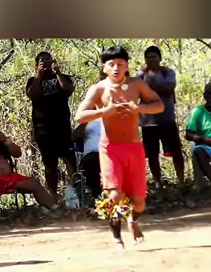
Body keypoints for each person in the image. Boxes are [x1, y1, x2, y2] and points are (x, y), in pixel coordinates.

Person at [75, 45, 164, 248]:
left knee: (139, 201)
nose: (116, 68)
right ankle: (117, 239)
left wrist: (138, 108)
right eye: (111, 64)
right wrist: (104, 111)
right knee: (114, 196)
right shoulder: (99, 89)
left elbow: (159, 105)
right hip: (110, 149)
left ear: (127, 66)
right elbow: (80, 116)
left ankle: (133, 220)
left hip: (134, 147)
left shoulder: (137, 84)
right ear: (104, 67)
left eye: (120, 64)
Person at [0, 110, 57, 217]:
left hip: (9, 177)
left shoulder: (0, 139)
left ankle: (54, 208)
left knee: (34, 182)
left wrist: (5, 141)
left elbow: (17, 153)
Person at [135, 45, 185, 199]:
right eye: (148, 57)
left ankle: (181, 183)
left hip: (167, 120)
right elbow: (136, 91)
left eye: (153, 57)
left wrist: (148, 87)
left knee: (175, 152)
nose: (151, 60)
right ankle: (158, 186)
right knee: (152, 155)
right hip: (148, 122)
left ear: (160, 58)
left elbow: (169, 87)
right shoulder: (140, 74)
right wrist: (149, 87)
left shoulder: (167, 72)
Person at [26, 51, 77, 199]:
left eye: (48, 60)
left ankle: (76, 193)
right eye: (42, 61)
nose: (46, 63)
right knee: (50, 165)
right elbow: (33, 95)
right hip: (43, 130)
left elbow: (68, 90)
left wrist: (58, 73)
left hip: (63, 127)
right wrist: (39, 75)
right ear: (37, 65)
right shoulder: (32, 81)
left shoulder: (63, 77)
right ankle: (53, 196)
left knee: (70, 160)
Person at [185, 80, 211, 187]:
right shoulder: (197, 112)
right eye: (210, 94)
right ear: (205, 96)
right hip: (205, 145)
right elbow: (188, 135)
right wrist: (205, 140)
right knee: (198, 151)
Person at [72, 118, 102, 200]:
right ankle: (96, 195)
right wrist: (86, 120)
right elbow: (75, 136)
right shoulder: (85, 116)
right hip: (92, 154)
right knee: (90, 162)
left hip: (110, 152)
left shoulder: (110, 114)